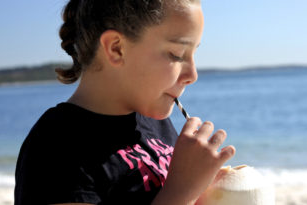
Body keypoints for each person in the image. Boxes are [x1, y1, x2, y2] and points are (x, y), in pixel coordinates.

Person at [14, 0, 236, 204]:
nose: (193, 74)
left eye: (194, 54)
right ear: (116, 48)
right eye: (177, 54)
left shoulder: (155, 122)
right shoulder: (56, 145)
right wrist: (183, 189)